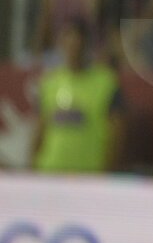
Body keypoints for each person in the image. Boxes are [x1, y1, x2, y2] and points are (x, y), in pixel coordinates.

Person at [32, 19, 124, 173]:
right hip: (50, 171)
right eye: (68, 40)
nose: (73, 47)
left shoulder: (105, 83)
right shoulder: (49, 83)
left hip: (89, 173)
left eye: (78, 41)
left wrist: (108, 169)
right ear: (61, 43)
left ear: (86, 45)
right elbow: (40, 129)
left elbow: (118, 132)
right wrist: (32, 166)